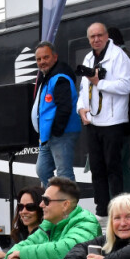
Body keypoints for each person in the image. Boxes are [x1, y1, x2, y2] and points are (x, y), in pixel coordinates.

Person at [5, 177, 100, 259]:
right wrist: (13, 258)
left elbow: (66, 248)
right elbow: (18, 248)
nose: (41, 205)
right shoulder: (48, 224)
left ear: (65, 205)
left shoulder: (86, 221)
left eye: (46, 201)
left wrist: (22, 254)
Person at [77, 22, 130, 221]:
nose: (96, 40)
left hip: (113, 121)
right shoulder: (88, 57)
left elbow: (127, 86)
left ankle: (119, 211)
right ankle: (101, 211)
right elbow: (83, 90)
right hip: (92, 122)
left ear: (107, 35)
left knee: (113, 168)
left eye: (99, 35)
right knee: (97, 167)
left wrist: (99, 83)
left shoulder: (118, 55)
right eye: (92, 37)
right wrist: (81, 108)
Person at [33, 41, 81, 186]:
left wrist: (56, 130)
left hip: (62, 134)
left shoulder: (60, 78)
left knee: (64, 173)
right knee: (42, 170)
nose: (42, 62)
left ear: (55, 57)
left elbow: (65, 107)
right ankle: (54, 202)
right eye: (39, 59)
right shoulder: (48, 76)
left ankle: (69, 207)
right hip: (48, 136)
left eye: (46, 57)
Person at [108, 26, 130, 193]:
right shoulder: (126, 56)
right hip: (122, 121)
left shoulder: (121, 58)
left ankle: (122, 202)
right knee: (121, 163)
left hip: (119, 122)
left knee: (118, 164)